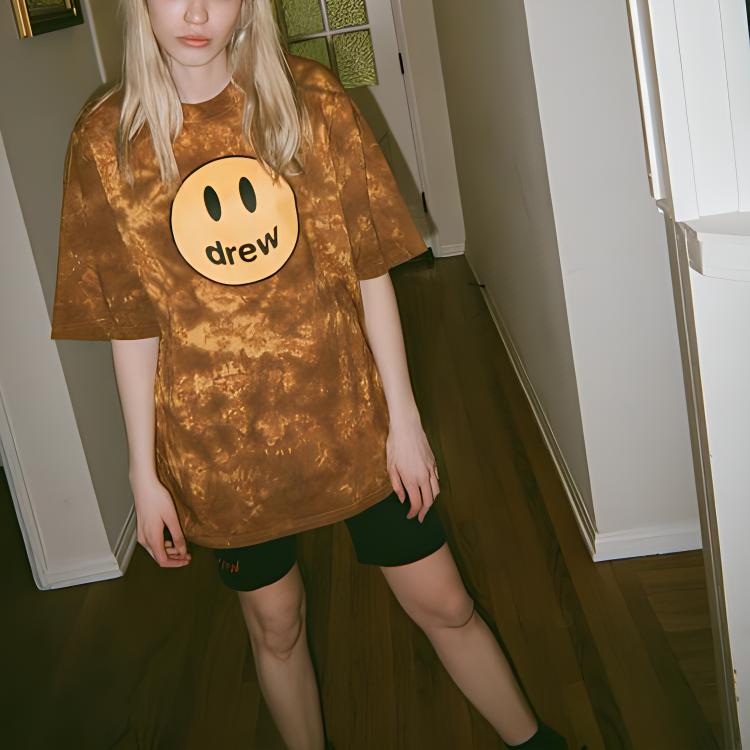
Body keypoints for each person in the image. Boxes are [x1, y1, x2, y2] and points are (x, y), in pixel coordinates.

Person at [49, 1, 569, 748]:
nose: (195, 11)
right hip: (222, 451)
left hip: (350, 420)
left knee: (446, 605)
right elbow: (131, 322)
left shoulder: (311, 102)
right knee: (276, 626)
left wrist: (405, 422)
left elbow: (370, 272)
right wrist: (144, 472)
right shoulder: (105, 141)